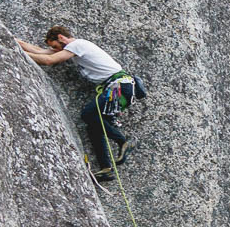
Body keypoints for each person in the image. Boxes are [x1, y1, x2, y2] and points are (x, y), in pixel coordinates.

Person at [16, 26, 145, 179]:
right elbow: (40, 52)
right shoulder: (74, 49)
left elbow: (49, 60)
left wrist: (17, 52)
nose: (55, 49)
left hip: (119, 87)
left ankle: (123, 141)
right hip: (119, 89)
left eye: (56, 46)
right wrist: (15, 42)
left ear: (61, 37)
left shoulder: (77, 45)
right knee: (93, 127)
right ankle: (106, 168)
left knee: (88, 114)